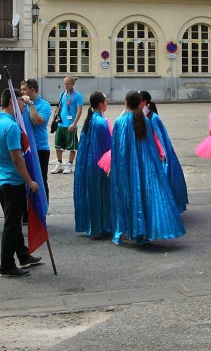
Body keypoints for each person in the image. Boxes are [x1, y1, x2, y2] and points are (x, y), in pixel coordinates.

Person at [109, 91, 185, 245]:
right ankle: (145, 232)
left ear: (126, 103)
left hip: (126, 167)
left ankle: (127, 231)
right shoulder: (146, 120)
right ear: (140, 103)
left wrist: (114, 167)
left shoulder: (120, 122)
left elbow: (118, 148)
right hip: (145, 166)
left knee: (126, 197)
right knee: (145, 197)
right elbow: (150, 147)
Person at [0, 89, 42, 277]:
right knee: (11, 224)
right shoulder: (11, 127)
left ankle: (23, 255)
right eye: (21, 101)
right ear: (12, 101)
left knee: (14, 222)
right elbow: (16, 158)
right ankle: (6, 265)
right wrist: (29, 180)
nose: (23, 105)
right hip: (12, 181)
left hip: (1, 178)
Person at [141, 91, 188, 212]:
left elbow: (158, 137)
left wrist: (162, 153)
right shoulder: (143, 116)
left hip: (158, 155)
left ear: (144, 102)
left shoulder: (152, 117)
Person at [74, 92, 113, 236]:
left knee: (93, 194)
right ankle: (104, 226)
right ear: (101, 104)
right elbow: (109, 146)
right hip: (100, 164)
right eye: (106, 101)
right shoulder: (101, 122)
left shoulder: (89, 120)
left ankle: (94, 225)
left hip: (89, 163)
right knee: (102, 195)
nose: (107, 103)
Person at [21, 79, 53, 201]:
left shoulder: (44, 105)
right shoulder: (21, 104)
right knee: (25, 180)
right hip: (25, 147)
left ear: (32, 90)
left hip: (40, 148)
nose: (22, 92)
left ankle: (42, 209)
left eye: (24, 89)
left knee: (41, 180)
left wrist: (31, 105)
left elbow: (37, 121)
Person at [52, 76, 84, 174]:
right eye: (64, 83)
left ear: (72, 84)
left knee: (72, 146)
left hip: (70, 125)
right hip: (61, 124)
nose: (65, 85)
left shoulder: (78, 96)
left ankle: (69, 165)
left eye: (67, 83)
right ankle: (59, 164)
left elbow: (79, 111)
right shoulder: (63, 94)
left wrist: (74, 124)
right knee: (57, 145)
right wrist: (55, 116)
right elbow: (60, 106)